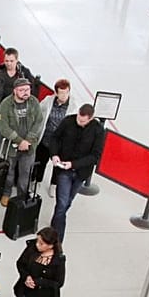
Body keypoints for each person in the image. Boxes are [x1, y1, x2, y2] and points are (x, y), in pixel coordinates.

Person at [47, 103, 105, 240]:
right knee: (62, 202)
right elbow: (55, 138)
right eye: (79, 118)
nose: (79, 122)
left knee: (68, 201)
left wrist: (73, 164)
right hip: (63, 171)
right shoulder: (68, 121)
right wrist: (54, 154)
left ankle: (56, 222)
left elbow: (95, 156)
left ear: (91, 118)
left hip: (80, 172)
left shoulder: (98, 131)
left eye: (83, 121)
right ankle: (57, 237)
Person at [0, 78, 46, 203]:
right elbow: (3, 126)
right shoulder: (6, 104)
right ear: (14, 91)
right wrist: (19, 141)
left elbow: (39, 121)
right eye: (22, 90)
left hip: (29, 146)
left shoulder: (34, 102)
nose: (25, 92)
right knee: (9, 172)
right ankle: (6, 193)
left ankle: (21, 197)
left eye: (27, 89)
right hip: (11, 146)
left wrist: (28, 140)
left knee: (25, 173)